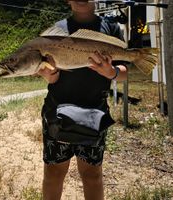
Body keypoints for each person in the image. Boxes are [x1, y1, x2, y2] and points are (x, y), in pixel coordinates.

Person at [37, 1, 128, 199]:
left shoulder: (111, 28)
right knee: (53, 173)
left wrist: (111, 71)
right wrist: (49, 75)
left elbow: (123, 72)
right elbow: (48, 72)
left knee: (92, 175)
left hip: (94, 113)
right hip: (57, 112)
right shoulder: (55, 32)